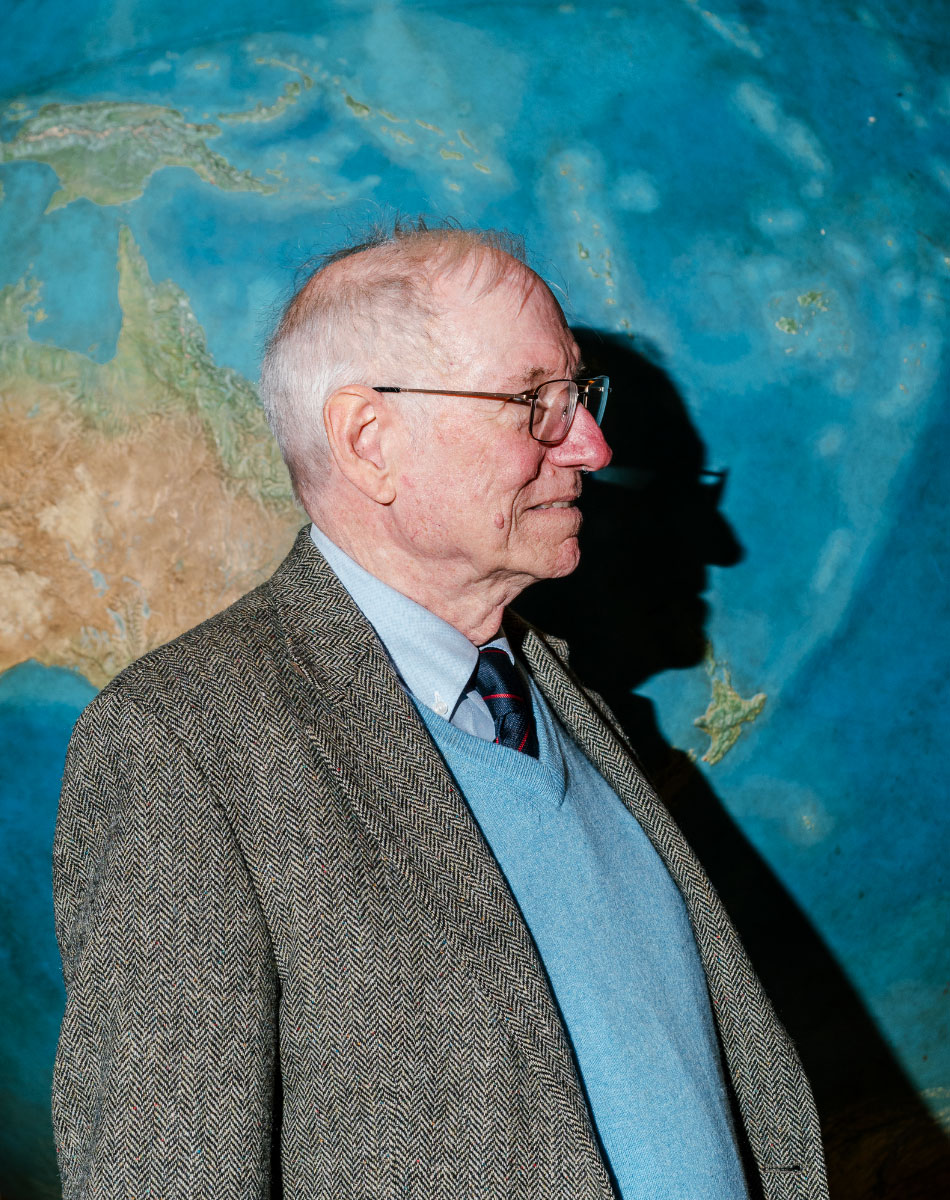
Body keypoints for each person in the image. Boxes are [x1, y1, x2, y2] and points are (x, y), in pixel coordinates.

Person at [52, 221, 827, 1199]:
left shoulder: (565, 696)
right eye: (533, 404)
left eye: (577, 396)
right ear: (369, 443)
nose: (589, 444)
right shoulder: (182, 747)